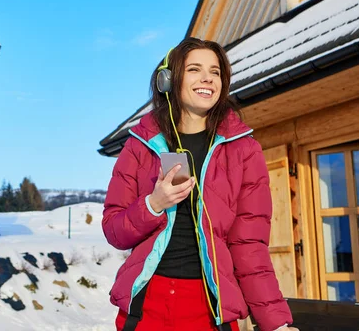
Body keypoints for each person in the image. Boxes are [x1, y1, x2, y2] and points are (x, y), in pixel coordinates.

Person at [102, 38, 298, 331]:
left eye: (215, 71)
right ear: (168, 80)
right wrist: (153, 205)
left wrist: (275, 323)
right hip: (147, 306)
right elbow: (114, 230)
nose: (208, 77)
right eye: (195, 69)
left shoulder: (244, 151)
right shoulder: (140, 146)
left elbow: (249, 246)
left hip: (209, 309)